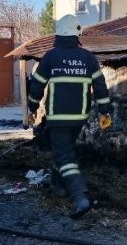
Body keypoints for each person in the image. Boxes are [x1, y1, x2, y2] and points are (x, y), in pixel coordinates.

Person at [27, 14, 112, 219]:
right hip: (79, 118)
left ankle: (79, 197)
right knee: (64, 151)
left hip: (57, 118)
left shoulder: (50, 57)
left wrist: (32, 108)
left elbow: (37, 85)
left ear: (57, 33)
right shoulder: (88, 58)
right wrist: (104, 112)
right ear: (77, 33)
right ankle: (58, 186)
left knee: (65, 156)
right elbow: (100, 87)